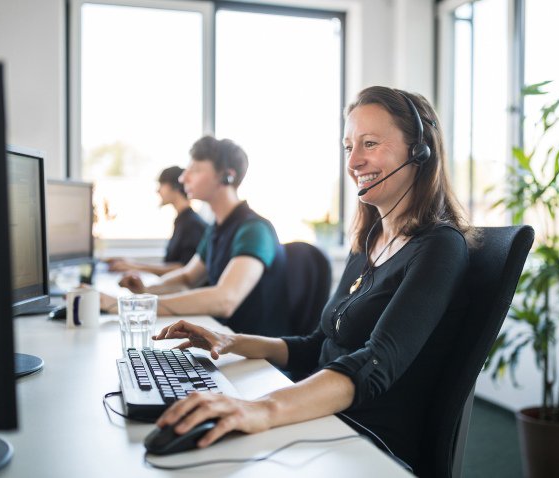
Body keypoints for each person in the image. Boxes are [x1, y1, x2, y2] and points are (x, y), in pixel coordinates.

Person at [149, 86, 477, 474]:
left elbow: (376, 363)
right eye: (347, 146)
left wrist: (263, 409)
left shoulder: (439, 246)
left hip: (364, 440)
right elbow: (318, 346)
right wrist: (232, 341)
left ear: (418, 151)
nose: (354, 161)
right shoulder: (369, 242)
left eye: (369, 143)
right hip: (324, 417)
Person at [100, 136, 291, 337]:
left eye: (196, 170)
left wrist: (135, 306)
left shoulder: (254, 230)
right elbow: (187, 278)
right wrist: (146, 290)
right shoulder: (217, 229)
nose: (183, 178)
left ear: (227, 176)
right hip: (222, 340)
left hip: (257, 358)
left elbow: (225, 299)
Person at [105, 166, 207, 275]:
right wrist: (131, 264)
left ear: (175, 187)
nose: (158, 190)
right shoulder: (182, 220)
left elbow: (184, 268)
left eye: (162, 184)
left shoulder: (192, 224)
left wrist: (134, 267)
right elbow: (172, 264)